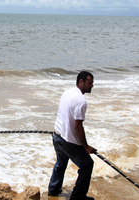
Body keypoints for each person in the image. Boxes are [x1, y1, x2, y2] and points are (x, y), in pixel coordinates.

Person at [48, 71, 97, 200]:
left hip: (57, 135)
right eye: (90, 82)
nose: (92, 85)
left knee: (61, 162)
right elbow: (78, 126)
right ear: (81, 82)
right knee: (87, 165)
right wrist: (86, 147)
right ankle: (78, 197)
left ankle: (53, 190)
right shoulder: (81, 101)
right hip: (67, 141)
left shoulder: (67, 92)